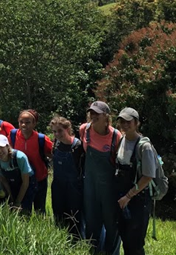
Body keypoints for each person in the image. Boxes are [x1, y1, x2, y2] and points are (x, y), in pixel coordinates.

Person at [79, 101, 122, 255]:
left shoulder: (116, 136)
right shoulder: (85, 130)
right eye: (91, 112)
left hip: (109, 187)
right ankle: (94, 251)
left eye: (97, 113)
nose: (93, 116)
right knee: (92, 221)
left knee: (112, 223)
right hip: (90, 185)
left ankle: (112, 252)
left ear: (106, 116)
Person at [115, 108, 155, 255]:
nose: (124, 125)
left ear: (137, 123)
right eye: (122, 121)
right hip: (122, 197)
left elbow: (148, 176)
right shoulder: (121, 140)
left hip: (138, 200)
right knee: (125, 238)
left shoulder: (144, 146)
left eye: (128, 121)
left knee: (135, 243)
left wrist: (129, 196)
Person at [9, 109, 52, 213]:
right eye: (21, 122)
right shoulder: (13, 135)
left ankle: (39, 228)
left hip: (39, 179)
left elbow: (52, 154)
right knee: (23, 211)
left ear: (34, 123)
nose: (24, 125)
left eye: (28, 122)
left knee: (40, 210)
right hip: (21, 180)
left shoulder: (41, 139)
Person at [49, 116, 85, 239]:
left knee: (74, 217)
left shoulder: (78, 146)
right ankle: (60, 240)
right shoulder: (55, 145)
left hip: (74, 188)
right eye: (54, 131)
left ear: (68, 129)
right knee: (59, 215)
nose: (57, 134)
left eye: (60, 131)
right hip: (58, 186)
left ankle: (76, 244)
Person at [0, 135, 36, 212]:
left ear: (7, 146)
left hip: (27, 185)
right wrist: (11, 198)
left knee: (24, 210)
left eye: (2, 147)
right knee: (11, 208)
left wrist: (17, 202)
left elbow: (25, 182)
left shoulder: (20, 157)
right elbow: (3, 180)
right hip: (10, 184)